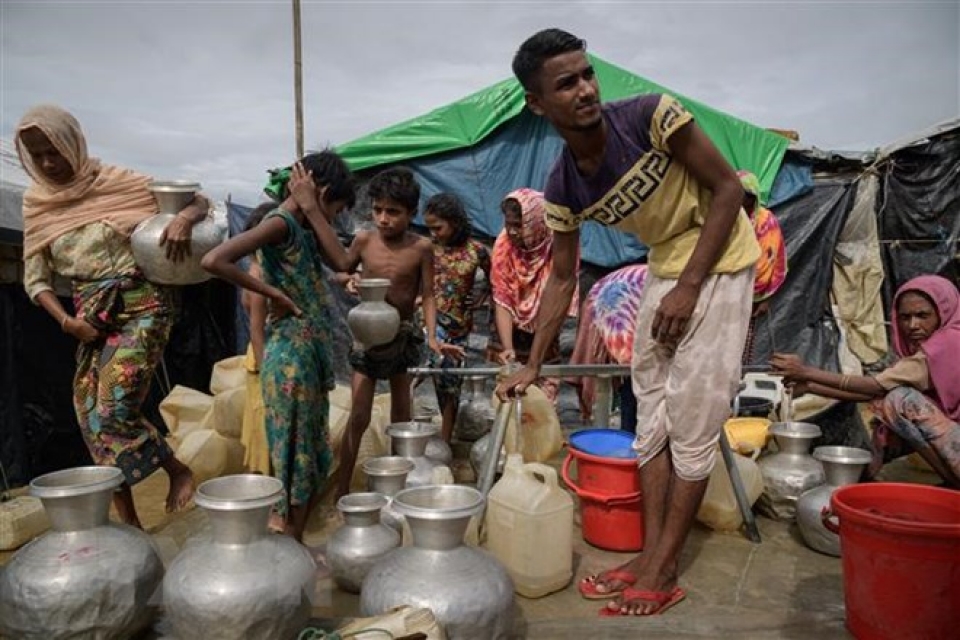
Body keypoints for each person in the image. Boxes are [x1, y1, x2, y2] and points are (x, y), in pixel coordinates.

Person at [497, 30, 760, 616]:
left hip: (721, 258)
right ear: (538, 103)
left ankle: (664, 569)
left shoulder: (648, 117)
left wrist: (690, 287)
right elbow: (561, 279)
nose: (586, 89)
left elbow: (726, 190)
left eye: (587, 74)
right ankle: (647, 555)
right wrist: (533, 362)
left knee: (693, 418)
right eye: (566, 84)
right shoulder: (564, 183)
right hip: (666, 263)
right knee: (652, 413)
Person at [16, 104, 206, 529]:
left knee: (113, 406)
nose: (48, 162)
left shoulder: (120, 184)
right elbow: (36, 279)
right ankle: (130, 522)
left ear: (73, 143)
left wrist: (184, 220)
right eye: (37, 154)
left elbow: (197, 200)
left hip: (142, 305)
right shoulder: (38, 202)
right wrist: (67, 322)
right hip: (88, 317)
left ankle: (178, 470)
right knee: (87, 413)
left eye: (54, 150)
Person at [201, 151, 356, 541]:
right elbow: (214, 259)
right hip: (290, 359)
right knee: (295, 460)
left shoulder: (302, 228)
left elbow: (340, 263)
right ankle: (290, 543)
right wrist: (270, 293)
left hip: (305, 357)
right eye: (334, 209)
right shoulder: (279, 223)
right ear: (318, 191)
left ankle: (294, 542)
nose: (334, 219)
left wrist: (313, 209)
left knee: (305, 456)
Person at [293, 166, 442, 500]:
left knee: (401, 417)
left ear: (412, 213)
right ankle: (343, 485)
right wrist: (348, 279)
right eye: (378, 210)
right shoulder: (363, 239)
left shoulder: (422, 248)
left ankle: (397, 485)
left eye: (393, 212)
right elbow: (341, 267)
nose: (384, 218)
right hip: (367, 337)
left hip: (402, 335)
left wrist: (432, 335)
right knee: (358, 415)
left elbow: (429, 293)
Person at [772, 274, 960, 488]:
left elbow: (875, 386)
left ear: (943, 312)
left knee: (899, 401)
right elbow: (876, 390)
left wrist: (805, 372)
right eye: (905, 317)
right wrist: (811, 386)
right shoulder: (936, 347)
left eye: (922, 315)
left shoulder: (945, 346)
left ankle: (953, 483)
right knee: (893, 399)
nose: (913, 325)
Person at [490, 188, 578, 402]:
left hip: (544, 330)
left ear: (535, 222)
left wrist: (534, 359)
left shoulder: (559, 245)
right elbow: (502, 297)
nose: (511, 232)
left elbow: (559, 290)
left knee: (542, 403)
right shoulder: (504, 245)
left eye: (518, 225)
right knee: (508, 397)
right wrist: (508, 347)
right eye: (508, 224)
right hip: (509, 331)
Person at [421, 192, 491, 442]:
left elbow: (495, 279)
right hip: (428, 321)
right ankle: (406, 429)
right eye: (429, 228)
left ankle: (445, 441)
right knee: (426, 367)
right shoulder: (427, 249)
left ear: (455, 222)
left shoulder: (476, 251)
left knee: (451, 384)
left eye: (438, 227)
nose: (433, 233)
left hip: (459, 328)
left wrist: (483, 296)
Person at [569, 264, 648, 431]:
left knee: (637, 377)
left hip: (628, 291)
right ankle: (630, 439)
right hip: (620, 298)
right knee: (633, 375)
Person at [239, 203, 275, 476]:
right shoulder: (259, 272)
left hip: (260, 354)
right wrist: (267, 372)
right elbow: (256, 327)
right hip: (265, 356)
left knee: (262, 426)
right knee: (266, 427)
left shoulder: (255, 267)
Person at [737, 170, 788, 361]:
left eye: (739, 194)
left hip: (754, 296)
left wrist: (766, 296)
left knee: (743, 343)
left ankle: (737, 380)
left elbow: (775, 258)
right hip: (725, 291)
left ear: (751, 197)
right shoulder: (726, 218)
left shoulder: (766, 221)